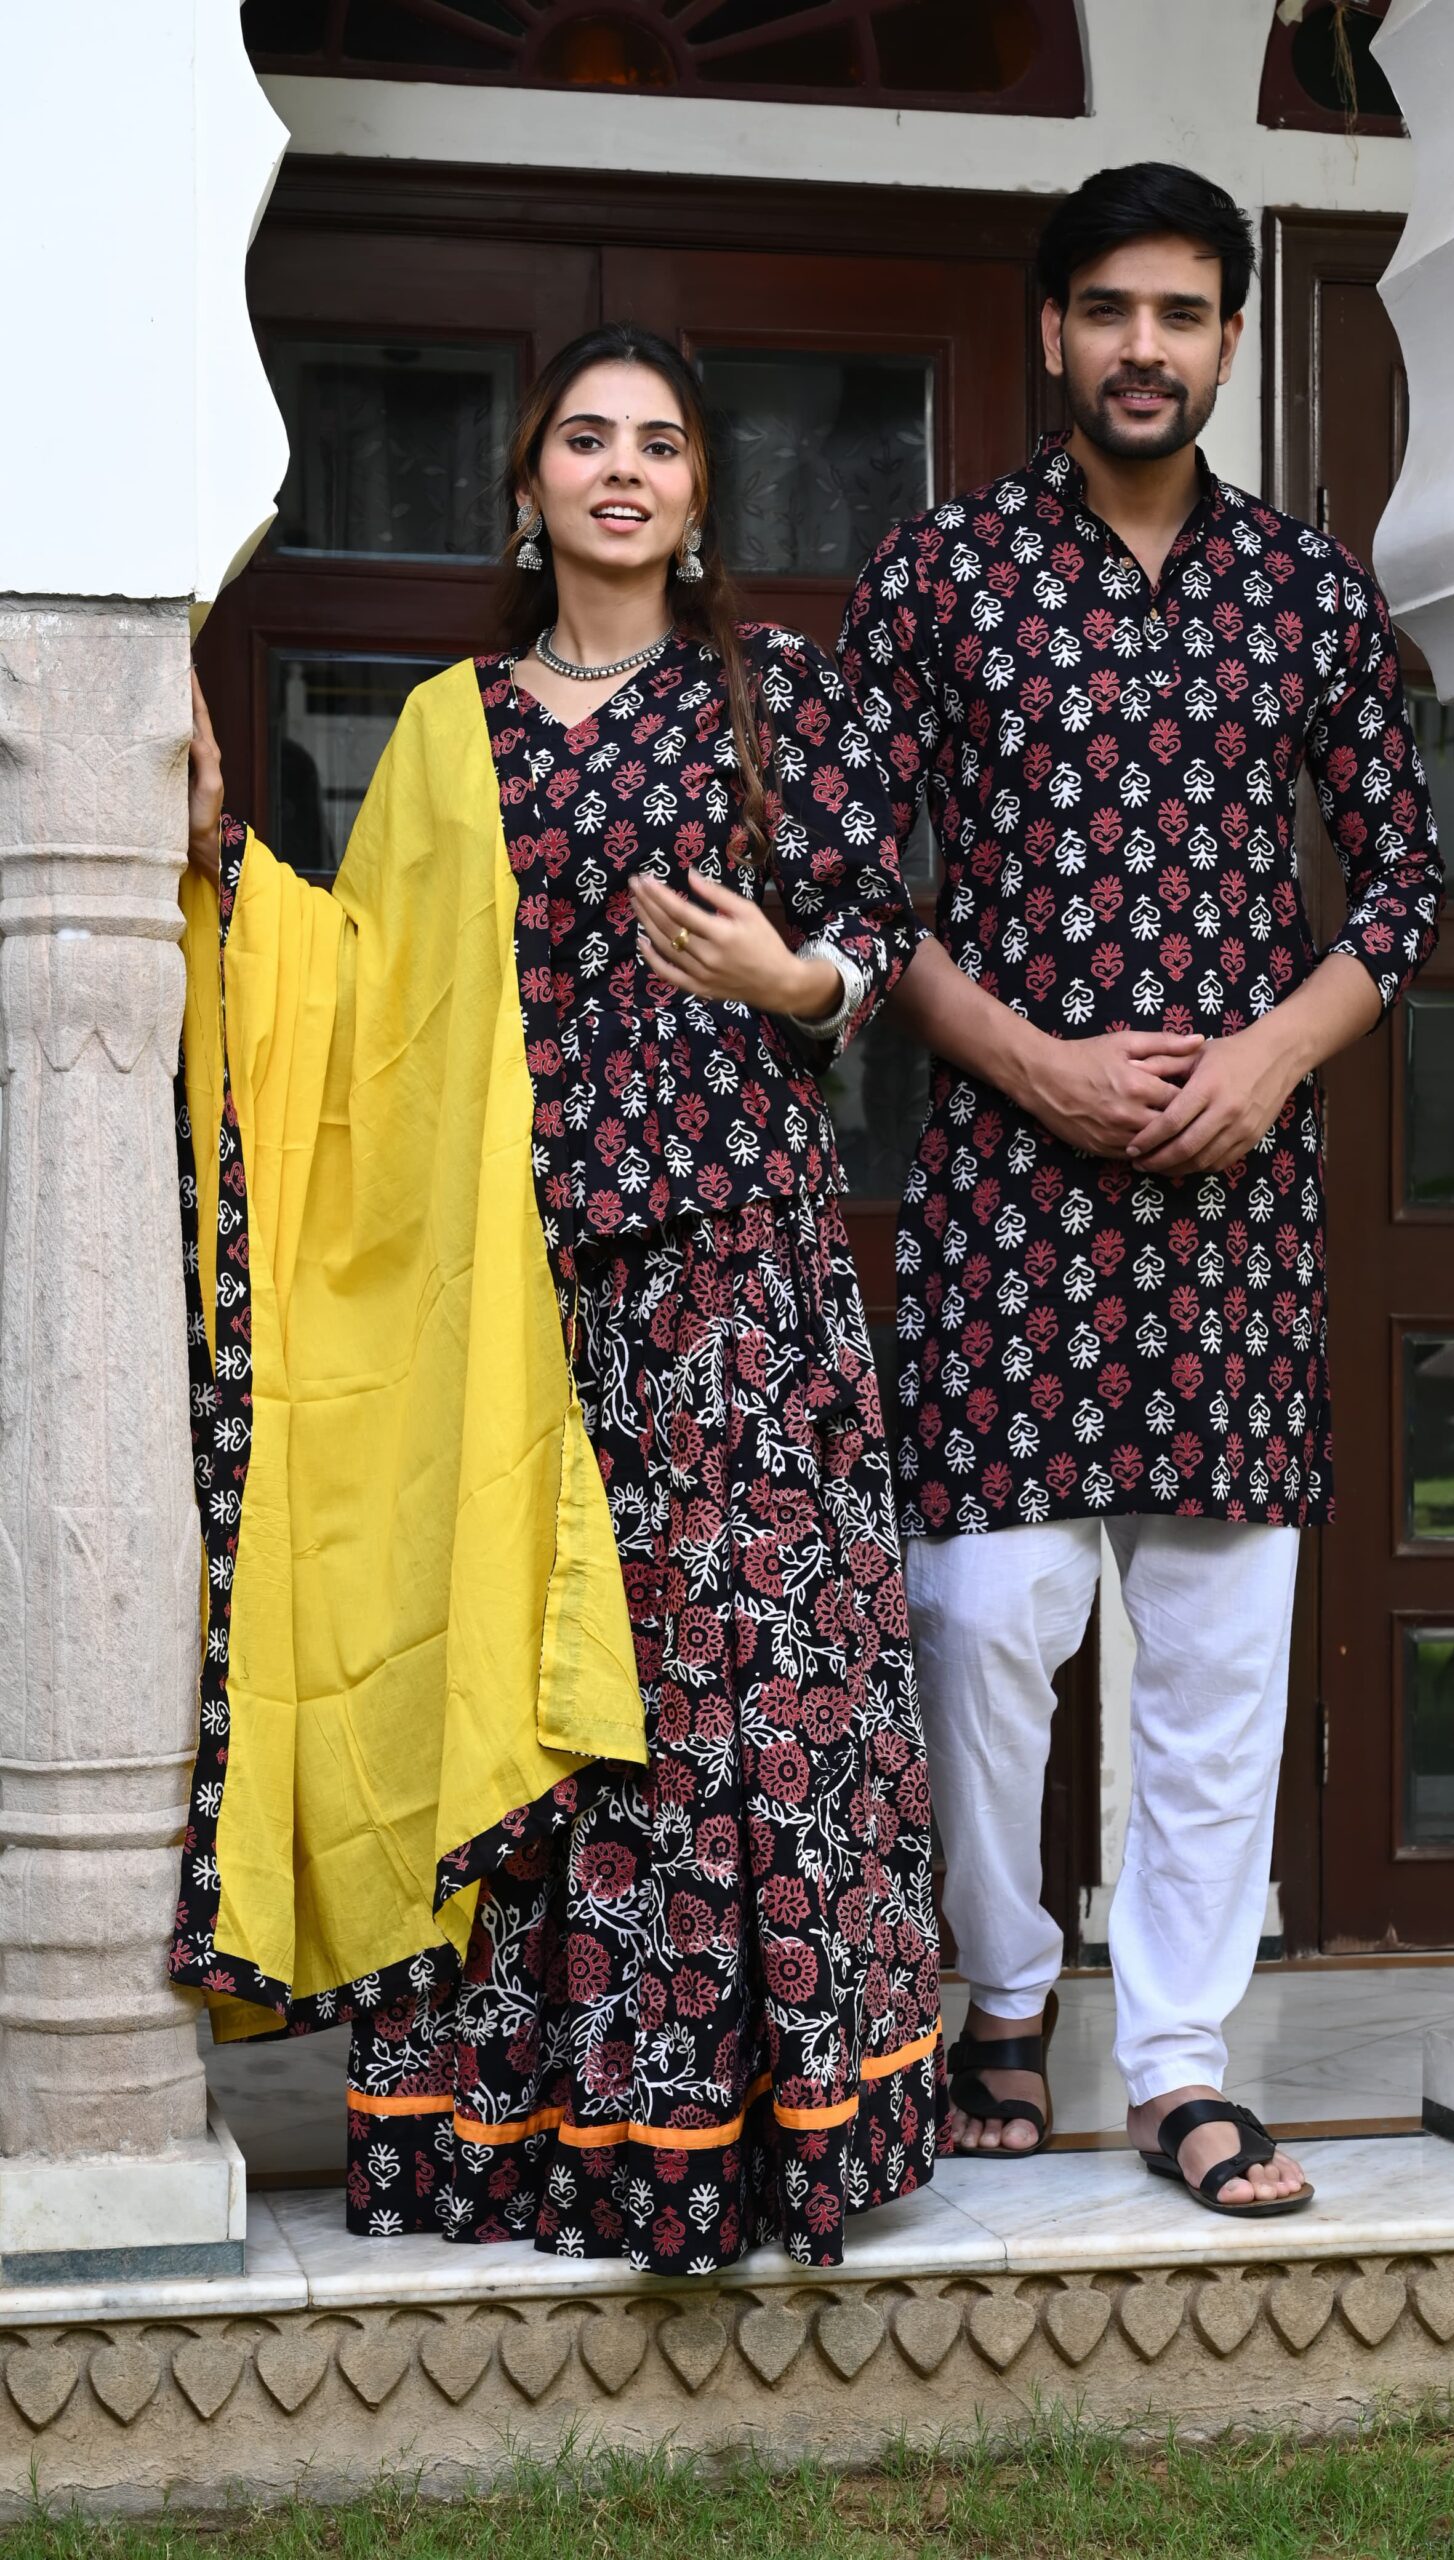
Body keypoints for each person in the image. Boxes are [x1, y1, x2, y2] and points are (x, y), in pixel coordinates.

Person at [176, 323, 943, 2274]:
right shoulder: (448, 728)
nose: (621, 469)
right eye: (584, 439)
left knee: (736, 1699)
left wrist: (794, 984)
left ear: (700, 496)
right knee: (537, 1693)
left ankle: (756, 2142)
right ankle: (525, 2141)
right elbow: (367, 992)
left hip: (743, 1290)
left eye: (660, 443)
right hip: (514, 1297)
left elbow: (881, 932)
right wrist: (223, 868)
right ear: (529, 486)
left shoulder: (775, 694)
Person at [841, 163, 1444, 2214]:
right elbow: (853, 891)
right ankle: (1003, 1987)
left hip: (1233, 1212)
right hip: (1008, 1190)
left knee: (1209, 1660)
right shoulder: (944, 578)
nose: (1143, 350)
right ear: (1048, 331)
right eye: (1108, 311)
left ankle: (1181, 2058)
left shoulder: (1305, 587)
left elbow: (1407, 880)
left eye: (1182, 315)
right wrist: (1034, 1063)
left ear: (1229, 343)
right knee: (980, 1615)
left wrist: (1272, 1055)